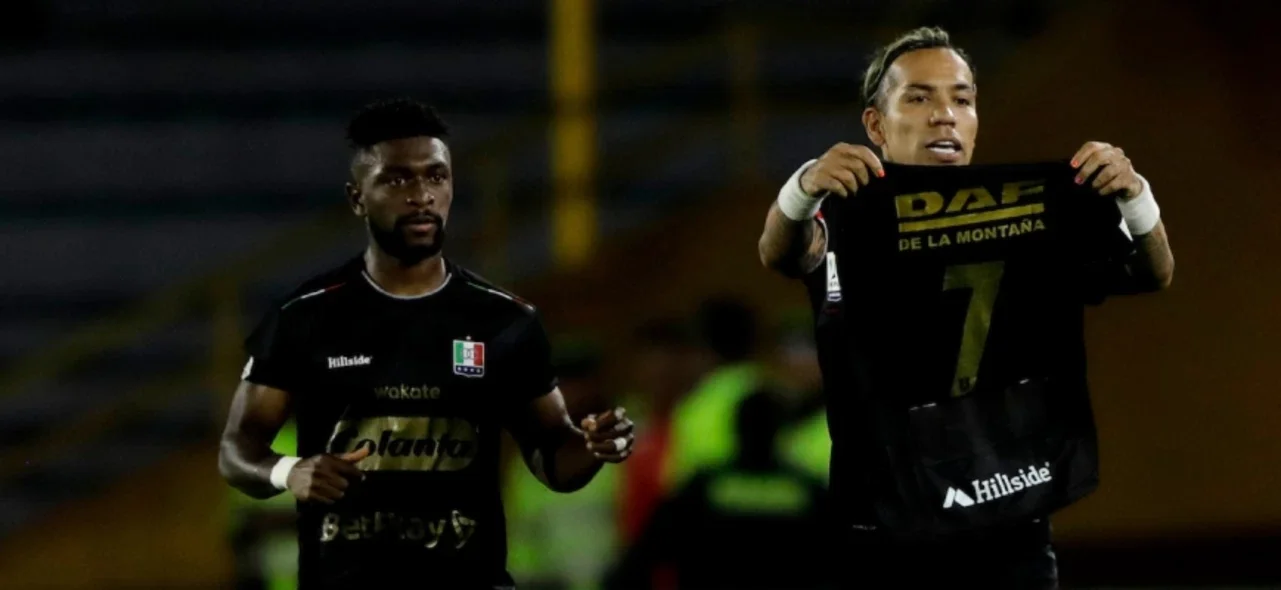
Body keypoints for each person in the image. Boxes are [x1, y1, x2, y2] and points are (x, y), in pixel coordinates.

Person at [756, 27, 1174, 588]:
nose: (945, 115)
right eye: (919, 97)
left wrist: (1136, 196)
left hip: (1008, 528)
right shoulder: (847, 214)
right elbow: (782, 253)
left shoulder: (1032, 212)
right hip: (885, 538)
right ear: (876, 125)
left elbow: (1153, 272)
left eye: (962, 97)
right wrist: (800, 190)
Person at [218, 98, 635, 590]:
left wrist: (592, 447)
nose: (421, 195)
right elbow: (237, 449)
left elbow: (552, 460)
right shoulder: (304, 316)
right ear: (357, 197)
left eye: (436, 177)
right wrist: (289, 471)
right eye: (396, 180)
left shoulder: (506, 320)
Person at [604, 388, 835, 590]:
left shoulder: (704, 487)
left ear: (736, 426)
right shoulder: (807, 490)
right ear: (779, 428)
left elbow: (640, 561)